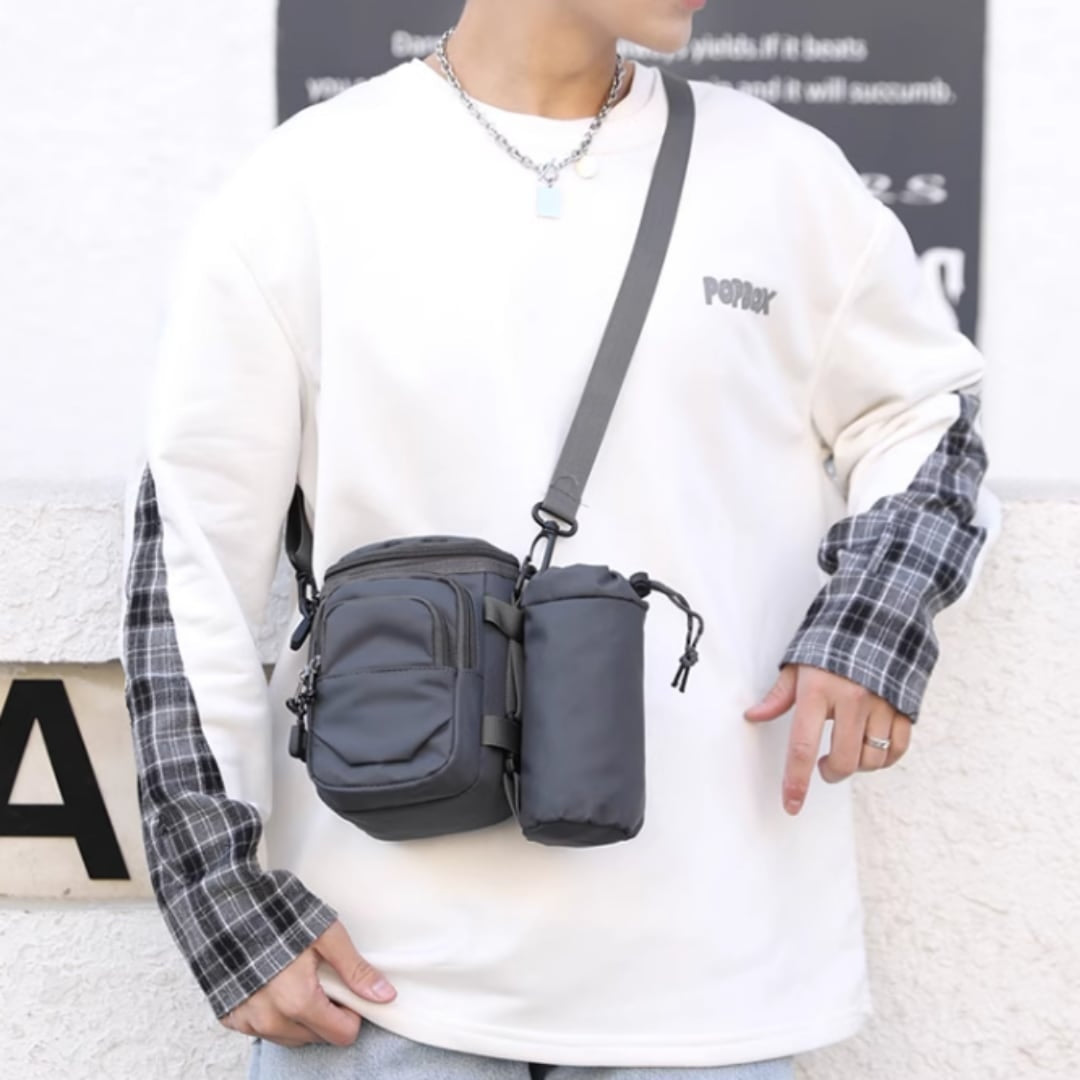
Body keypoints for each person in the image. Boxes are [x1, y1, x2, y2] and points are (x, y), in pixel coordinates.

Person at [120, 0, 1000, 1077]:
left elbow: (930, 419)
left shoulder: (785, 178)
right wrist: (221, 901)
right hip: (384, 990)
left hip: (713, 989)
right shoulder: (308, 186)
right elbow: (190, 556)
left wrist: (872, 622)